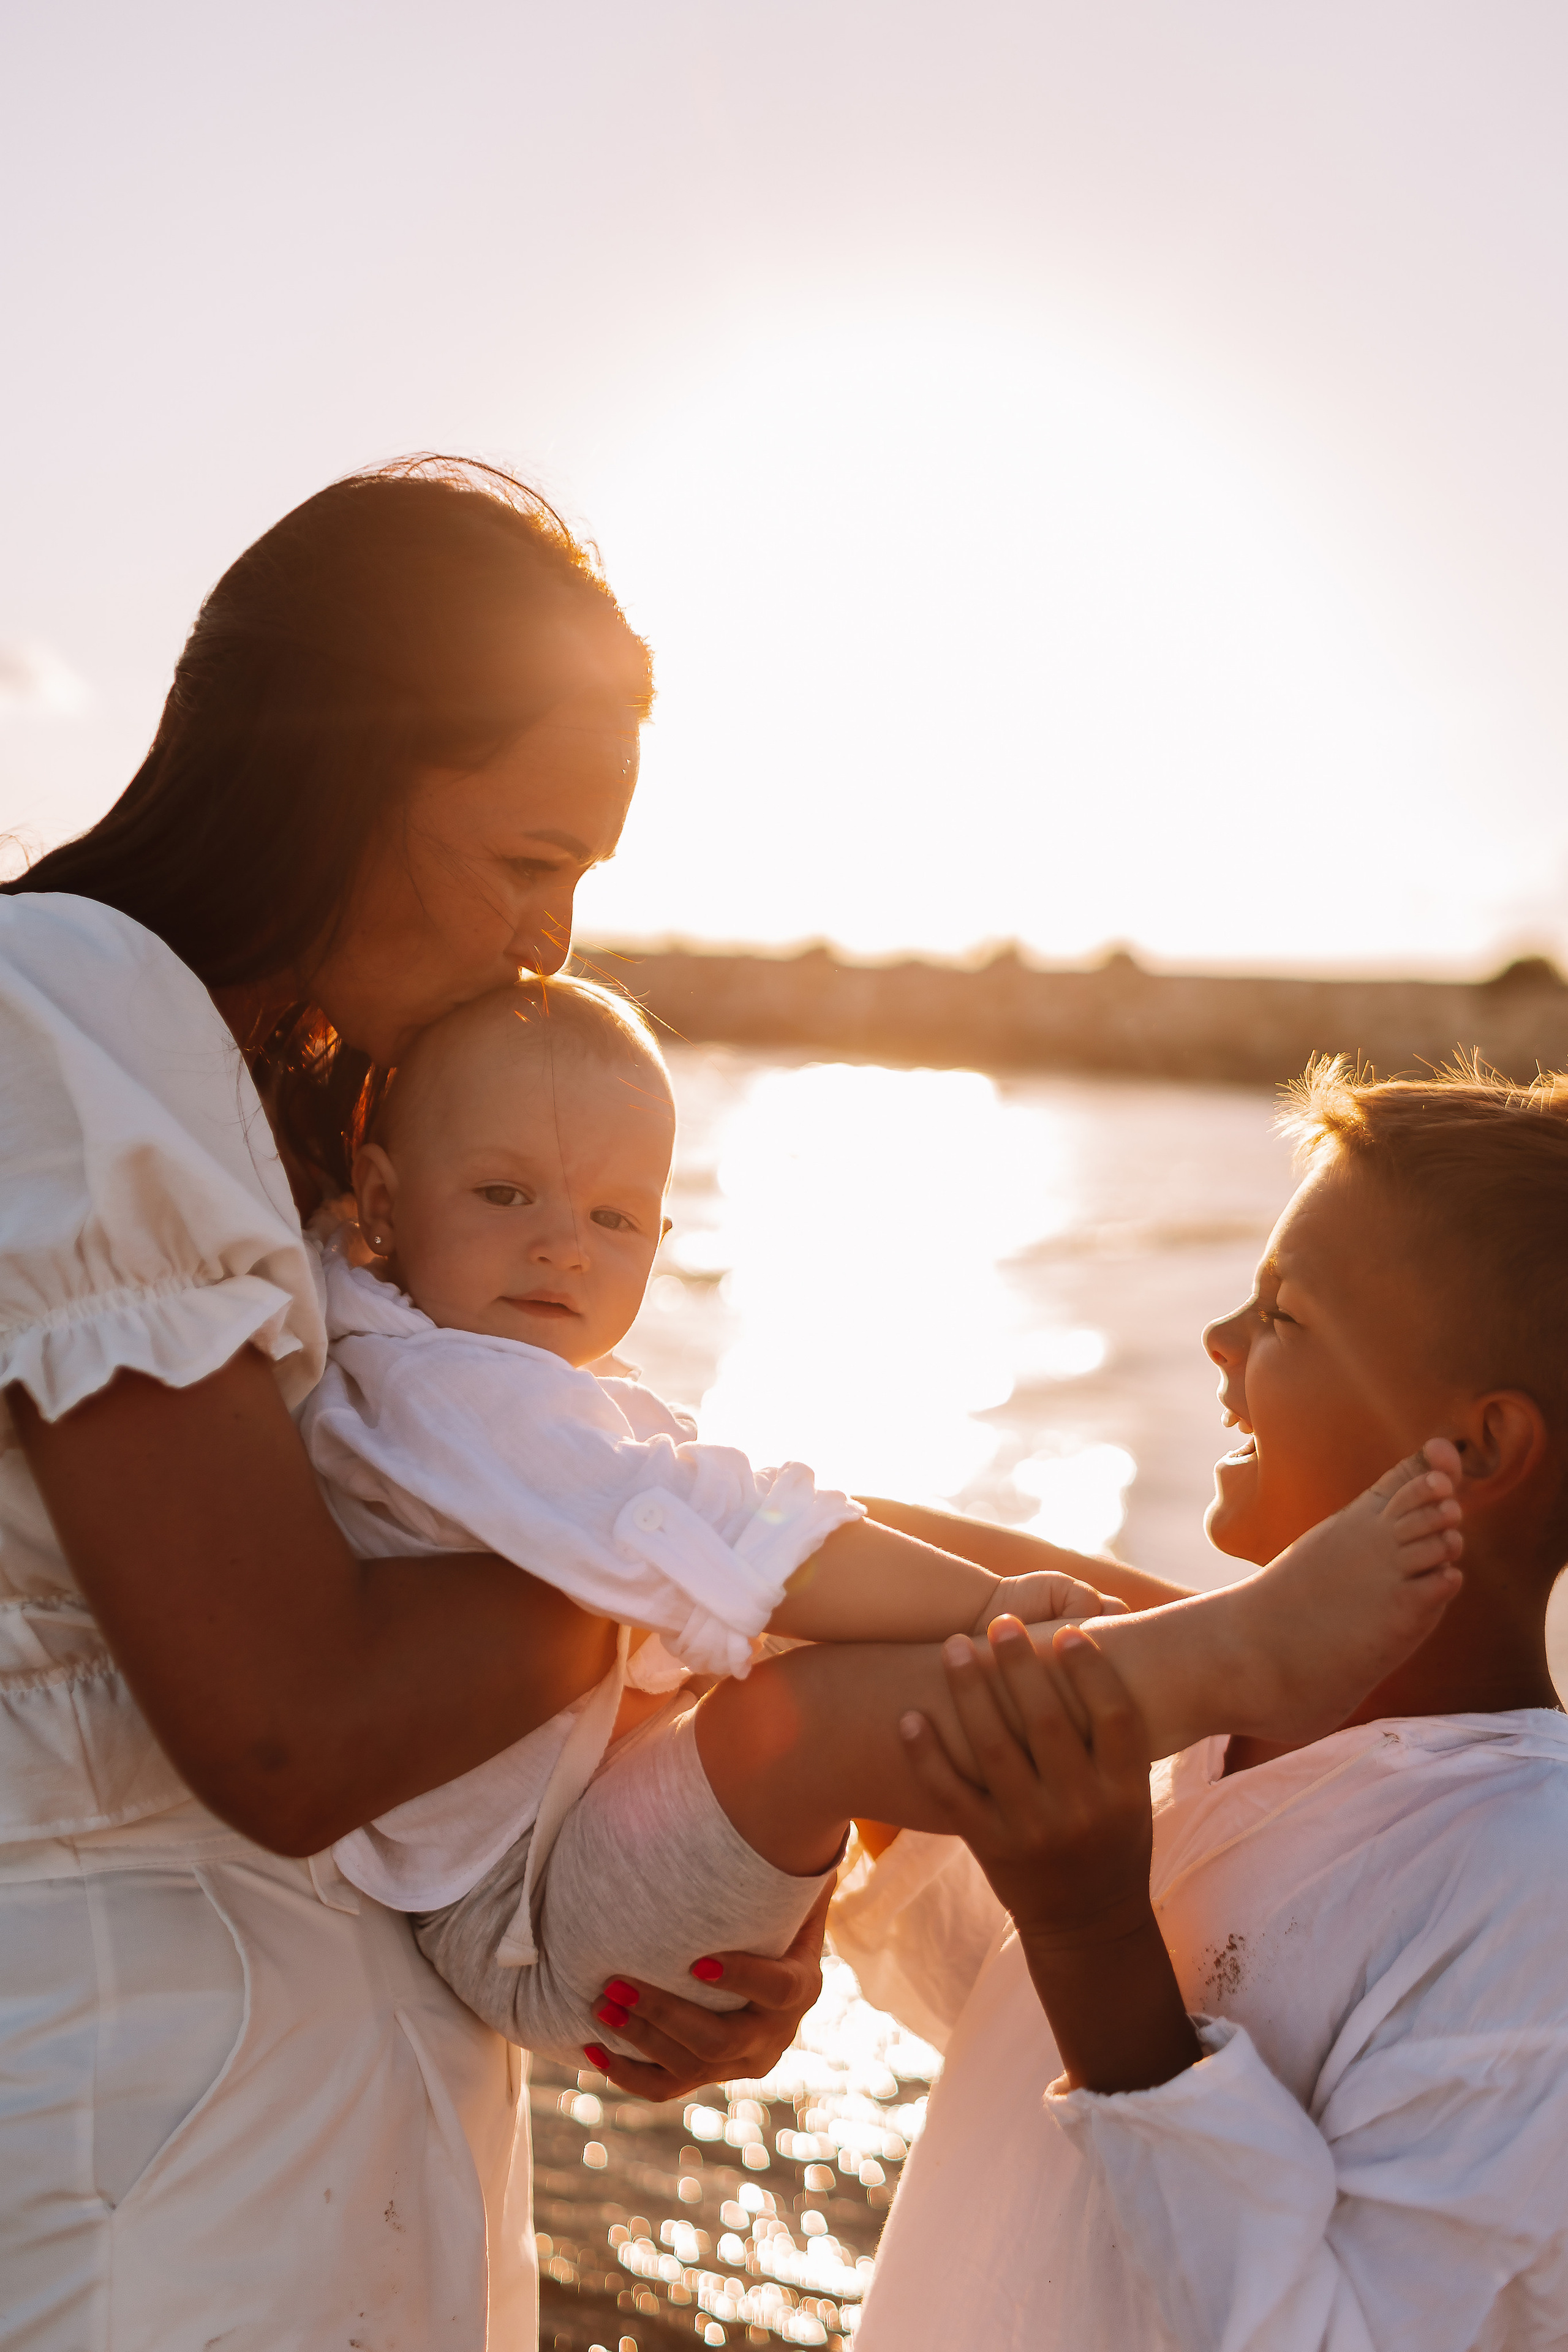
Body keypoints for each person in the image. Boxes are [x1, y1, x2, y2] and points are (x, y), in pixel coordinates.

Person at [0, 459, 827, 2352]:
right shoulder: (63, 1005)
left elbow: (414, 1705)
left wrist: (652, 1923)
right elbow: (291, 1729)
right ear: (342, 771)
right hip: (138, 2194)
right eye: (527, 860)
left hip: (335, 2162)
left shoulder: (302, 1133)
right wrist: (686, 1562)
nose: (549, 944)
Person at [300, 975, 1463, 2070]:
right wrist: (991, 1606)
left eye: (612, 1217)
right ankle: (1222, 1662)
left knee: (822, 1625)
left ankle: (1188, 1664)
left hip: (554, 1851)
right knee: (808, 1704)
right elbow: (718, 1528)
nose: (561, 1243)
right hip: (520, 1920)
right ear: (385, 1201)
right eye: (506, 1194)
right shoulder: (457, 1395)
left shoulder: (446, 1354)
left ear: (662, 1244)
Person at [832, 1059, 1568, 2352]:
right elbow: (1008, 2033)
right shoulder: (1216, 1720)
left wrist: (1093, 1930)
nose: (1218, 1343)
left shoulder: (1527, 1879)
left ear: (1477, 1452)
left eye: (1282, 1314)